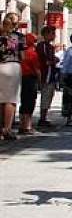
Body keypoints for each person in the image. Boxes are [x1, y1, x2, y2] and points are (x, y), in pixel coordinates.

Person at [0, 11, 24, 141]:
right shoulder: (18, 36)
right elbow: (23, 55)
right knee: (10, 99)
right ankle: (7, 129)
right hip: (12, 66)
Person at [36, 25, 59, 129]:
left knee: (49, 95)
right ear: (46, 34)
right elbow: (46, 61)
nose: (54, 35)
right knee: (46, 95)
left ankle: (44, 117)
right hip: (46, 74)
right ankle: (42, 118)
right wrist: (54, 60)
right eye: (52, 33)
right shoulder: (43, 46)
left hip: (51, 74)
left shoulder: (50, 46)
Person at [18, 32, 40, 135]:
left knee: (23, 100)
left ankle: (22, 125)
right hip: (31, 78)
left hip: (22, 77)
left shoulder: (21, 52)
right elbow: (36, 68)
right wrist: (40, 80)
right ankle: (27, 126)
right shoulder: (33, 53)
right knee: (30, 101)